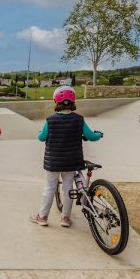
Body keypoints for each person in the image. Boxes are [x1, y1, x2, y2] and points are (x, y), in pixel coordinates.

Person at [29, 86, 102, 228]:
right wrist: (99, 135)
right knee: (68, 188)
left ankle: (42, 217)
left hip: (53, 162)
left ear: (56, 101)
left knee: (50, 188)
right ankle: (65, 218)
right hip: (72, 161)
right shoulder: (79, 120)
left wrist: (40, 133)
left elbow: (41, 137)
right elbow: (92, 136)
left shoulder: (50, 120)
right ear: (73, 101)